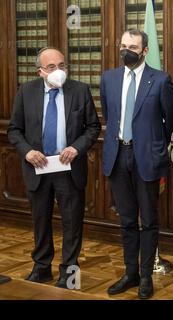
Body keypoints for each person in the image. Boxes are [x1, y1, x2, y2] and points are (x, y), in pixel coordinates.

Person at [8, 47, 101, 289]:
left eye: (62, 65)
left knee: (72, 223)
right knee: (40, 221)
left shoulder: (79, 90)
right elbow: (14, 130)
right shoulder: (25, 92)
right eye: (51, 67)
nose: (58, 71)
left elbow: (93, 127)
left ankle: (69, 275)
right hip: (38, 167)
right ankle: (41, 269)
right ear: (40, 71)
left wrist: (76, 148)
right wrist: (27, 151)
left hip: (68, 168)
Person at [100, 29, 173, 299]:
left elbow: (172, 122)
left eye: (133, 46)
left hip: (147, 158)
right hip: (117, 156)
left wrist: (157, 147)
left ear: (145, 50)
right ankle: (130, 272)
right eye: (123, 45)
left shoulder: (161, 79)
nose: (126, 50)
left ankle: (146, 276)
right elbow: (110, 118)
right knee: (126, 220)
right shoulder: (108, 78)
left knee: (149, 221)